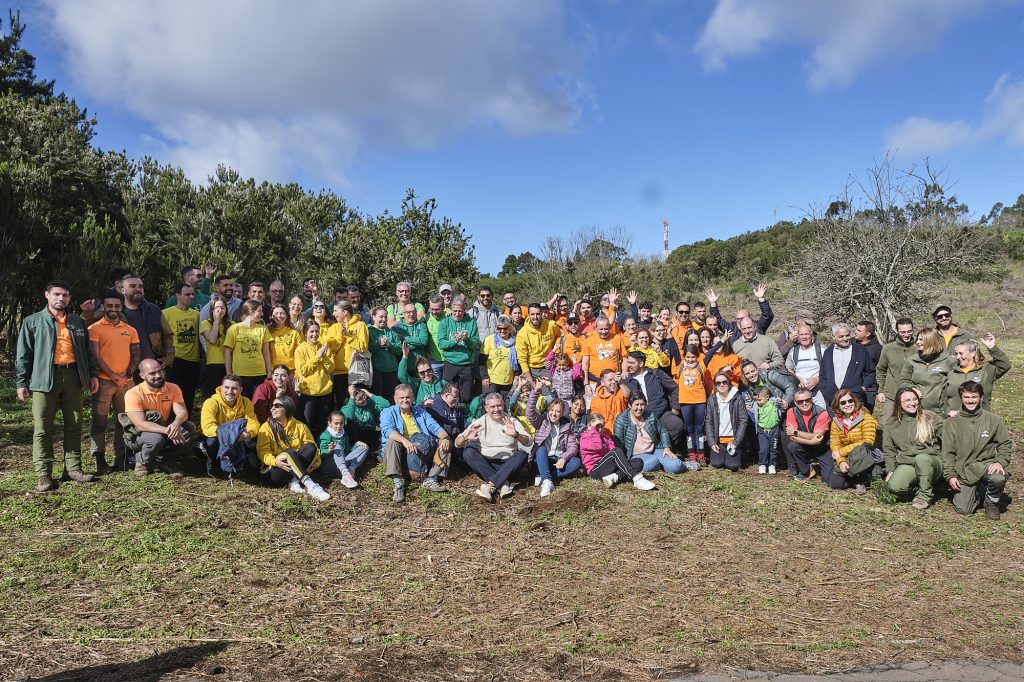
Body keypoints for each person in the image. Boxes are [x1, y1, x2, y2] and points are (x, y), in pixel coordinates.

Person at [16, 280, 100, 490]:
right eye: (56, 294)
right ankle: (44, 475)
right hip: (44, 380)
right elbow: (23, 355)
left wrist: (92, 375)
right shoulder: (32, 321)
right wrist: (21, 382)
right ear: (47, 295)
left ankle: (73, 469)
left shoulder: (77, 322)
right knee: (43, 428)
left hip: (74, 378)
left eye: (65, 295)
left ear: (69, 298)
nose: (60, 298)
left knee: (74, 425)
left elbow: (88, 353)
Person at [942, 381, 1012, 519]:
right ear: (961, 398)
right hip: (964, 470)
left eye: (974, 397)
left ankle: (991, 502)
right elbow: (948, 453)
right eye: (966, 397)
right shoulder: (951, 423)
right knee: (964, 510)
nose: (970, 400)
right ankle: (981, 490)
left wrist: (1000, 461)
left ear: (981, 397)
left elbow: (1005, 444)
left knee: (997, 477)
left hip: (986, 465)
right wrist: (950, 475)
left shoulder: (994, 420)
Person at [88, 291, 140, 474]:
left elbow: (135, 354)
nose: (113, 309)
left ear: (121, 307)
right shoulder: (95, 328)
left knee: (124, 422)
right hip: (104, 382)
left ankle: (122, 458)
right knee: (99, 421)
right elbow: (95, 355)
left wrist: (127, 373)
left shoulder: (130, 329)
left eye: (117, 306)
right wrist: (112, 375)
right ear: (102, 307)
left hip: (126, 383)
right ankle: (99, 459)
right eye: (109, 306)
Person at [123, 359, 195, 478]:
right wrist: (168, 430)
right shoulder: (133, 393)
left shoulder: (173, 388)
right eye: (152, 373)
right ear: (142, 375)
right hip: (138, 435)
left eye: (159, 371)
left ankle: (167, 460)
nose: (158, 376)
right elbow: (140, 424)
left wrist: (176, 423)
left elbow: (182, 412)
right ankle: (142, 461)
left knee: (189, 428)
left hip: (161, 428)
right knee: (156, 438)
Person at [380, 384, 452, 502]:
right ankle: (398, 484)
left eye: (408, 397)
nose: (405, 400)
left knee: (445, 442)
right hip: (400, 450)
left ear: (412, 398)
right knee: (393, 441)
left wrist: (445, 437)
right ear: (395, 399)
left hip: (418, 447)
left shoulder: (420, 412)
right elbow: (388, 430)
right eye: (401, 398)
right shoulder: (387, 412)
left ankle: (432, 478)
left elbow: (434, 426)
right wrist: (404, 441)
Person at [456, 392, 531, 501]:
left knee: (522, 455)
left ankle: (490, 485)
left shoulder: (511, 421)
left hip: (508, 464)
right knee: (468, 452)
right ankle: (503, 483)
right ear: (486, 408)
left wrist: (516, 435)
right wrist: (465, 437)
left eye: (499, 405)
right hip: (486, 464)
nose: (496, 409)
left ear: (503, 405)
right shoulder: (480, 422)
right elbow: (457, 444)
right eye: (492, 406)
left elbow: (528, 441)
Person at [255, 395, 330, 501]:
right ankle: (311, 486)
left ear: (287, 407)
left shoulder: (300, 426)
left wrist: (317, 462)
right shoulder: (266, 427)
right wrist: (275, 462)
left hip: (292, 470)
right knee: (288, 453)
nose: (272, 408)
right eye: (272, 406)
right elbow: (262, 452)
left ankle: (294, 481)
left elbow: (313, 448)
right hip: (274, 472)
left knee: (310, 447)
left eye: (277, 406)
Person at [883, 387, 943, 510]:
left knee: (922, 459)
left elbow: (949, 440)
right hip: (909, 463)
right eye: (907, 400)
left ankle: (925, 495)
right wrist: (891, 470)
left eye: (915, 399)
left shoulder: (931, 417)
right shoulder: (891, 423)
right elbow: (889, 450)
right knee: (895, 487)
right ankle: (920, 484)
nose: (912, 403)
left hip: (932, 461)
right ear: (899, 403)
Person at [621, 351, 686, 454]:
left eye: (632, 363)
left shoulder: (656, 373)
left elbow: (674, 388)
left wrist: (675, 407)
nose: (628, 365)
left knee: (676, 424)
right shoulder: (626, 380)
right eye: (628, 362)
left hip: (661, 413)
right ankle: (651, 452)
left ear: (641, 364)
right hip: (640, 417)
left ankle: (665, 450)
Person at [614, 394, 694, 475]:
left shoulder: (650, 415)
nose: (639, 408)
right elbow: (619, 443)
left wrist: (667, 448)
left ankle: (683, 465)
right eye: (636, 405)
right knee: (649, 464)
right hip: (636, 455)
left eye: (642, 404)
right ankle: (663, 463)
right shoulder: (621, 419)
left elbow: (663, 430)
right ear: (629, 405)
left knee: (675, 466)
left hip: (656, 450)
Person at [525, 382, 581, 497]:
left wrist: (563, 458)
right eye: (552, 410)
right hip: (541, 459)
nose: (554, 414)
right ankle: (547, 481)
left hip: (557, 461)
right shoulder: (541, 421)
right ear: (548, 410)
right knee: (541, 450)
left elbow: (573, 447)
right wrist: (535, 391)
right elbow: (529, 412)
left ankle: (544, 476)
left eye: (557, 411)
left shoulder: (567, 426)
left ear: (561, 414)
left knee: (576, 462)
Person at [199, 374, 259, 474]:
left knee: (256, 437)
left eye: (234, 388)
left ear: (240, 390)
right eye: (227, 387)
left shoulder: (245, 402)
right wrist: (231, 435)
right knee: (211, 443)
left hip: (238, 437)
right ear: (221, 388)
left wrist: (249, 433)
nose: (230, 392)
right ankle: (213, 461)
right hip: (217, 438)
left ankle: (245, 462)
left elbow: (253, 422)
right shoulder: (211, 402)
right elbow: (207, 428)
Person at [579, 412, 656, 490]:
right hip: (595, 470)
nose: (600, 429)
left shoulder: (606, 438)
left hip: (608, 467)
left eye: (602, 426)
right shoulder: (584, 438)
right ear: (589, 426)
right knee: (616, 452)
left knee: (638, 462)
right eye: (597, 426)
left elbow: (614, 452)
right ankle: (636, 478)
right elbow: (597, 446)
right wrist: (594, 432)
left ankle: (614, 477)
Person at [943, 334, 1011, 417]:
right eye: (956, 354)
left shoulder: (986, 370)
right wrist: (946, 413)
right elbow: (944, 397)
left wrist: (992, 348)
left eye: (961, 353)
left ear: (973, 353)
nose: (958, 357)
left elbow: (1005, 365)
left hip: (980, 419)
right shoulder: (952, 371)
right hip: (954, 419)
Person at [827, 390, 879, 493]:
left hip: (864, 455)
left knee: (861, 450)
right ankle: (854, 478)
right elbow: (835, 443)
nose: (848, 404)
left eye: (850, 401)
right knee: (835, 484)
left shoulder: (866, 417)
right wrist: (841, 461)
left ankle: (862, 479)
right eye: (843, 402)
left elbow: (868, 442)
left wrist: (841, 452)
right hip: (847, 457)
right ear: (837, 405)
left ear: (854, 401)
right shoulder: (836, 421)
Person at [163, 283, 201, 418]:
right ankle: (172, 429)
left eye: (192, 294)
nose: (191, 297)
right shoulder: (166, 313)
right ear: (178, 295)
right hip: (175, 361)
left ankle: (187, 430)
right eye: (187, 294)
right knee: (173, 397)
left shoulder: (197, 315)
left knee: (189, 397)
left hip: (193, 361)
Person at [819, 323, 876, 409]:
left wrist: (863, 387)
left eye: (847, 335)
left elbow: (870, 371)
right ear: (834, 337)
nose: (845, 339)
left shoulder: (860, 351)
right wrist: (825, 390)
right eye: (841, 336)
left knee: (858, 421)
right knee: (836, 422)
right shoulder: (828, 353)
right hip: (833, 398)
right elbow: (823, 374)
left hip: (855, 398)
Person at [324, 300, 369, 408]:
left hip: (357, 371)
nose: (333, 314)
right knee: (342, 404)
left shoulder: (360, 325)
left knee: (359, 403)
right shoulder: (333, 328)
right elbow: (331, 349)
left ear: (345, 312)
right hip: (339, 373)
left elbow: (363, 347)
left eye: (335, 311)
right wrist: (340, 335)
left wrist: (348, 336)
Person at [121, 275, 173, 367]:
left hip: (153, 370)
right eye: (132, 286)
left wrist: (168, 359)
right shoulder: (116, 311)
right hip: (125, 369)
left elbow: (168, 335)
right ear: (123, 290)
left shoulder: (154, 310)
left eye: (140, 286)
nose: (138, 289)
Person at [223, 300, 272, 397]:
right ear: (251, 311)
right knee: (244, 402)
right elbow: (227, 352)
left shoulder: (263, 329)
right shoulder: (234, 329)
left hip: (260, 373)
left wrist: (269, 371)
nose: (262, 314)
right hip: (241, 373)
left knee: (260, 401)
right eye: (260, 311)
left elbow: (266, 352)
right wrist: (229, 375)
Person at [293, 321, 334, 434]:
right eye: (311, 331)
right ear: (305, 333)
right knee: (308, 423)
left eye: (317, 331)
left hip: (325, 392)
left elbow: (330, 369)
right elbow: (303, 370)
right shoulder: (300, 349)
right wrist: (317, 357)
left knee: (323, 424)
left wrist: (324, 357)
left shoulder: (324, 348)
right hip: (308, 393)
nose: (314, 334)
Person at [783, 388, 832, 482]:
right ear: (795, 402)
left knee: (828, 479)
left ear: (812, 399)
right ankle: (807, 471)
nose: (804, 403)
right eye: (800, 401)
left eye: (807, 400)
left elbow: (817, 437)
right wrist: (811, 441)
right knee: (792, 446)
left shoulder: (822, 413)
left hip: (822, 449)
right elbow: (792, 437)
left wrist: (796, 432)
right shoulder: (791, 412)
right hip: (805, 446)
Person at [900, 328, 952, 416]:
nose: (917, 342)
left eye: (921, 339)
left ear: (930, 341)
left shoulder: (948, 361)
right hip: (916, 409)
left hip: (940, 412)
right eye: (917, 339)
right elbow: (904, 381)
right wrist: (912, 388)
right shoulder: (911, 360)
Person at [437, 296, 480, 403]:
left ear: (464, 310)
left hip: (466, 365)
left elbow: (476, 345)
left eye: (460, 311)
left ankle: (464, 416)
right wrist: (454, 341)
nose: (457, 313)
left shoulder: (471, 323)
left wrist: (467, 340)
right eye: (454, 311)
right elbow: (441, 343)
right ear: (451, 309)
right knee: (448, 394)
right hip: (450, 363)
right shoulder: (445, 322)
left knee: (465, 396)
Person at [704, 371, 749, 472]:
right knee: (716, 464)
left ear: (729, 382)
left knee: (732, 466)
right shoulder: (712, 399)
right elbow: (709, 421)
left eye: (724, 382)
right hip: (719, 441)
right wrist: (711, 442)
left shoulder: (738, 398)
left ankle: (739, 454)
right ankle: (722, 454)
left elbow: (743, 421)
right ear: (715, 385)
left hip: (733, 441)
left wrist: (736, 442)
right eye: (718, 383)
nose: (721, 384)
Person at [875, 318, 916, 411]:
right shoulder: (888, 349)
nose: (906, 335)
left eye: (909, 331)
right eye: (903, 332)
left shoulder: (918, 348)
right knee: (889, 423)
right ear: (897, 331)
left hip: (914, 396)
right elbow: (881, 370)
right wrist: (881, 390)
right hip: (892, 396)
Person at [515, 303, 562, 385]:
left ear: (541, 314)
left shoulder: (550, 325)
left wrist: (554, 355)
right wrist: (531, 381)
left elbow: (560, 336)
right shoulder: (522, 334)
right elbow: (522, 359)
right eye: (532, 314)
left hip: (548, 366)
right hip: (532, 369)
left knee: (551, 394)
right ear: (528, 315)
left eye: (538, 314)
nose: (535, 317)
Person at [677, 346, 709, 463]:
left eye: (693, 357)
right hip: (685, 402)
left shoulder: (701, 366)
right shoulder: (680, 367)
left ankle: (701, 453)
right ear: (684, 357)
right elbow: (675, 350)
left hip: (700, 401)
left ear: (697, 357)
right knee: (689, 428)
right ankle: (691, 453)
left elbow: (710, 353)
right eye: (688, 357)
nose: (690, 359)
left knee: (699, 428)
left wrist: (722, 341)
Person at [318, 411, 366, 489]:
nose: (339, 426)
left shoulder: (344, 435)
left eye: (341, 423)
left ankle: (350, 471)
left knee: (363, 447)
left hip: (342, 464)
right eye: (336, 423)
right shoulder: (325, 435)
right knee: (338, 446)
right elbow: (321, 454)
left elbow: (347, 452)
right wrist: (329, 450)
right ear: (329, 423)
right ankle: (345, 474)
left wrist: (356, 446)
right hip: (328, 466)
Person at [785, 321, 826, 410]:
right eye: (801, 334)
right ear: (798, 336)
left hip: (819, 390)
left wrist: (816, 380)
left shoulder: (821, 349)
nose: (804, 337)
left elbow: (829, 369)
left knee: (822, 413)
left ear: (811, 335)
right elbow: (789, 369)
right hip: (801, 392)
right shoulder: (793, 351)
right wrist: (798, 380)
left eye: (807, 334)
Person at [705, 285, 774, 337]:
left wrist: (761, 299)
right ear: (736, 319)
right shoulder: (730, 328)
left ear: (750, 317)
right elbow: (717, 319)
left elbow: (767, 316)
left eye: (743, 318)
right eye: (738, 319)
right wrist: (713, 303)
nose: (741, 320)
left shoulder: (758, 326)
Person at [581, 317, 624, 399]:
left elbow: (624, 359)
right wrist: (586, 384)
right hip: (593, 381)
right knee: (593, 408)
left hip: (613, 382)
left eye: (606, 329)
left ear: (610, 327)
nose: (603, 332)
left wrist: (623, 373)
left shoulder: (617, 338)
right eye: (601, 329)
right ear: (596, 328)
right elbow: (585, 365)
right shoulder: (588, 341)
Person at [199, 297, 231, 400]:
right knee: (212, 397)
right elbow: (212, 339)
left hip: (230, 365)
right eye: (217, 307)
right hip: (214, 365)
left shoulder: (232, 324)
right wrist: (216, 320)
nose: (220, 310)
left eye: (222, 307)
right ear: (212, 310)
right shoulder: (206, 323)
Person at [368, 306, 403, 401]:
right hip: (376, 371)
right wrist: (377, 344)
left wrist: (389, 345)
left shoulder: (391, 332)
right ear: (373, 317)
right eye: (381, 317)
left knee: (391, 399)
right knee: (377, 399)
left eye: (385, 317)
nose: (383, 319)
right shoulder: (368, 331)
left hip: (391, 371)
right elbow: (366, 350)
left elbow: (399, 350)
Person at [342, 384, 390, 449]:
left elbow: (386, 405)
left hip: (372, 431)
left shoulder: (370, 403)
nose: (363, 400)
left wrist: (370, 395)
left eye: (363, 396)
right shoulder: (348, 407)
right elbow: (349, 417)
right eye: (359, 399)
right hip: (358, 435)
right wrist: (352, 398)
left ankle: (376, 453)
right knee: (353, 425)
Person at [480, 315, 518, 395]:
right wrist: (484, 377)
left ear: (509, 328)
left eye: (505, 328)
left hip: (508, 381)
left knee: (505, 406)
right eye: (499, 328)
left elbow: (519, 361)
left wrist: (517, 376)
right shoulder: (489, 339)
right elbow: (481, 361)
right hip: (491, 381)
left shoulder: (515, 341)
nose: (502, 331)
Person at [752, 387, 780, 475]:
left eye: (760, 400)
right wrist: (749, 401)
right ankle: (762, 464)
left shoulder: (773, 403)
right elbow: (750, 408)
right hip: (762, 430)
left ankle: (772, 465)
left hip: (774, 430)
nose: (758, 402)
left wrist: (779, 401)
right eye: (756, 400)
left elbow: (780, 403)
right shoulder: (756, 405)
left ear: (767, 397)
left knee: (773, 449)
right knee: (763, 449)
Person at [267, 305, 300, 372]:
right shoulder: (267, 333)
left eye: (282, 313)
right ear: (271, 316)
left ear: (287, 316)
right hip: (273, 371)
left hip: (290, 370)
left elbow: (299, 354)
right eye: (276, 313)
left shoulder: (294, 333)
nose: (279, 316)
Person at [423, 296, 448, 375]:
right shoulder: (426, 317)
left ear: (443, 307)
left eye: (437, 309)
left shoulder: (449, 316)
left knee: (448, 386)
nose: (434, 312)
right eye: (432, 309)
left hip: (448, 359)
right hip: (433, 360)